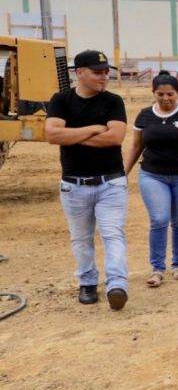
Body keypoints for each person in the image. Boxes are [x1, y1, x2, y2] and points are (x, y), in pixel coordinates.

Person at [45, 50, 129, 310]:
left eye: (106, 72)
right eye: (97, 72)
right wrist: (94, 129)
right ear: (79, 72)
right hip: (74, 185)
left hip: (111, 183)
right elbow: (51, 135)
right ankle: (88, 283)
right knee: (80, 238)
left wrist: (70, 134)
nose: (104, 77)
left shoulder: (114, 102)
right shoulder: (61, 100)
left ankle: (117, 284)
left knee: (113, 234)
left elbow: (115, 138)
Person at [124, 71, 178, 287]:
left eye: (170, 94)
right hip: (153, 174)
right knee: (159, 219)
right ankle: (157, 268)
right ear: (154, 93)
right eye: (160, 94)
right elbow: (136, 146)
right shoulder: (144, 116)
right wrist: (123, 173)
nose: (166, 99)